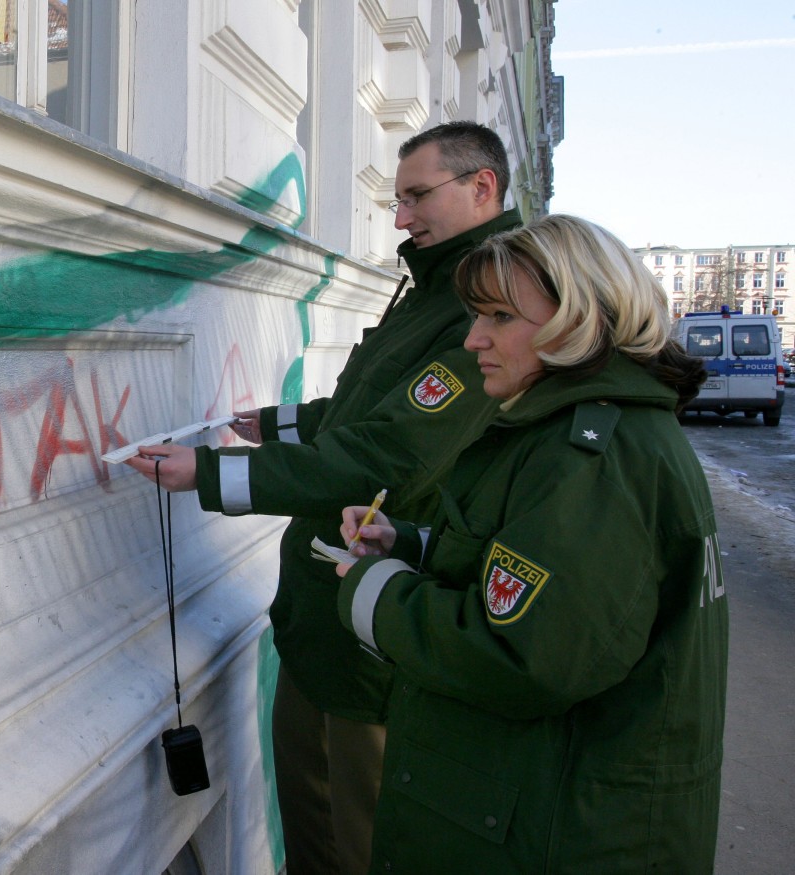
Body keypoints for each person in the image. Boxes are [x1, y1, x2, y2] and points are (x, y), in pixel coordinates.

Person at [126, 121, 520, 874]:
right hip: (322, 618)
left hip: (374, 632)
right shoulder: (435, 284)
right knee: (313, 823)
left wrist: (209, 474)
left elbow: (387, 453)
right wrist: (268, 424)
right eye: (396, 199)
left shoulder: (485, 304)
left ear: (481, 188)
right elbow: (363, 409)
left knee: (359, 839)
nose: (400, 219)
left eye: (415, 197)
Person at [335, 214, 728, 873]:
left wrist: (371, 592)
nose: (473, 338)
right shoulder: (590, 432)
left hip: (560, 836)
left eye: (498, 316)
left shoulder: (591, 459)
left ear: (578, 319)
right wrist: (415, 544)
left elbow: (523, 655)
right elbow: (550, 572)